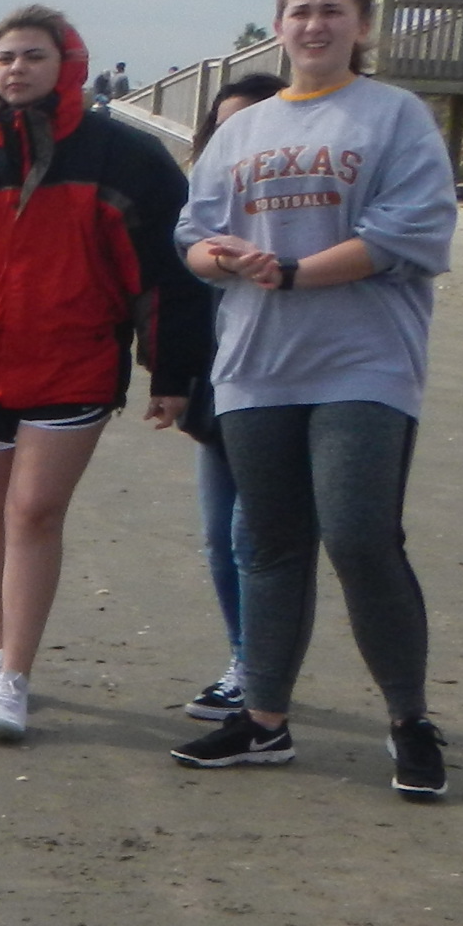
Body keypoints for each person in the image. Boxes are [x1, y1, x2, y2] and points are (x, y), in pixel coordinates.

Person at [173, 0, 457, 793]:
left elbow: (409, 233)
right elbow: (193, 235)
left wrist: (294, 273)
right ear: (280, 24)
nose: (315, 25)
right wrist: (219, 255)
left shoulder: (395, 117)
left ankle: (410, 719)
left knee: (362, 538)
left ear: (362, 26)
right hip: (257, 367)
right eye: (299, 12)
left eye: (333, 11)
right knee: (268, 543)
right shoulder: (240, 131)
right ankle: (264, 720)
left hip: (363, 363)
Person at [0, 8, 201, 741]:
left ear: (68, 64)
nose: (17, 69)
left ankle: (16, 678)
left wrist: (169, 371)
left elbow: (161, 275)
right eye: (5, 58)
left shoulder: (124, 157)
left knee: (34, 513)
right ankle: (3, 656)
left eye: (32, 55)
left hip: (75, 366)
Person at [177, 72, 290, 712]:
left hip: (290, 384)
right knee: (221, 537)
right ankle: (246, 659)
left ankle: (260, 674)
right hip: (220, 388)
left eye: (249, 120)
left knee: (256, 537)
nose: (233, 134)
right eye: (222, 124)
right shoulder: (202, 206)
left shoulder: (295, 204)